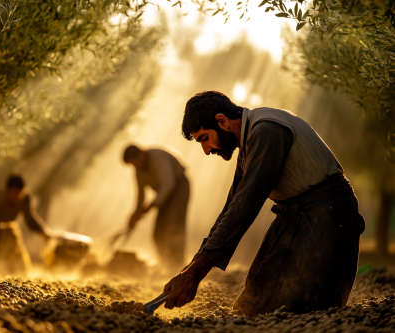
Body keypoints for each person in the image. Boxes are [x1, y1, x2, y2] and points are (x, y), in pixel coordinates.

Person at [163, 91, 365, 317]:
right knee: (252, 301)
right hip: (295, 218)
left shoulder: (266, 130)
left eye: (204, 138)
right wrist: (189, 269)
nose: (207, 150)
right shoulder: (248, 143)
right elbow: (230, 210)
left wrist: (195, 274)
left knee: (285, 309)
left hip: (328, 217)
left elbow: (245, 207)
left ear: (222, 121)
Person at [123, 145, 190, 274]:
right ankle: (166, 265)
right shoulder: (138, 169)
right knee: (158, 233)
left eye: (134, 163)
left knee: (174, 228)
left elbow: (168, 184)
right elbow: (140, 194)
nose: (134, 167)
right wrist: (136, 213)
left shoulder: (157, 157)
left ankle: (178, 268)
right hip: (164, 195)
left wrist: (148, 208)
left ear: (141, 155)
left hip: (179, 189)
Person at [0, 174, 50, 274]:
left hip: (9, 234)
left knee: (16, 259)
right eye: (14, 193)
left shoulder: (25, 199)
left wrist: (43, 231)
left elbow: (30, 219)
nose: (17, 197)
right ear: (6, 190)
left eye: (19, 193)